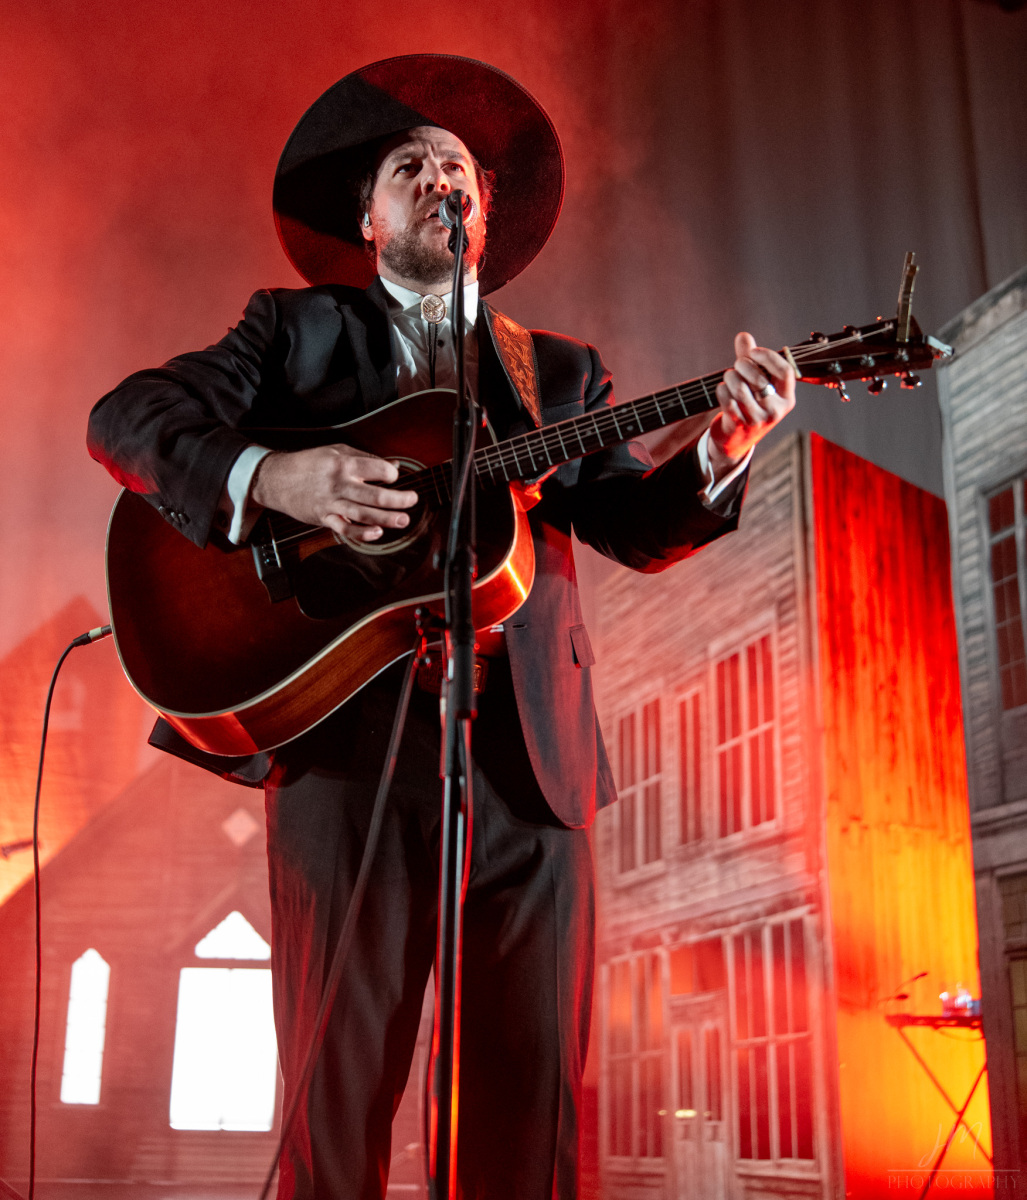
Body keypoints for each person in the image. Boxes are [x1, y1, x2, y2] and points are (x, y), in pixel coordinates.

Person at [87, 54, 794, 1200]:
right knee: (337, 1098)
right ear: (367, 219)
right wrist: (280, 477)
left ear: (483, 213)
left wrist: (722, 447)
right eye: (406, 167)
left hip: (530, 761)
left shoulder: (556, 370)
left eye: (455, 167)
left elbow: (630, 522)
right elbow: (129, 417)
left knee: (530, 1109)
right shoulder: (295, 333)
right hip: (345, 752)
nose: (436, 179)